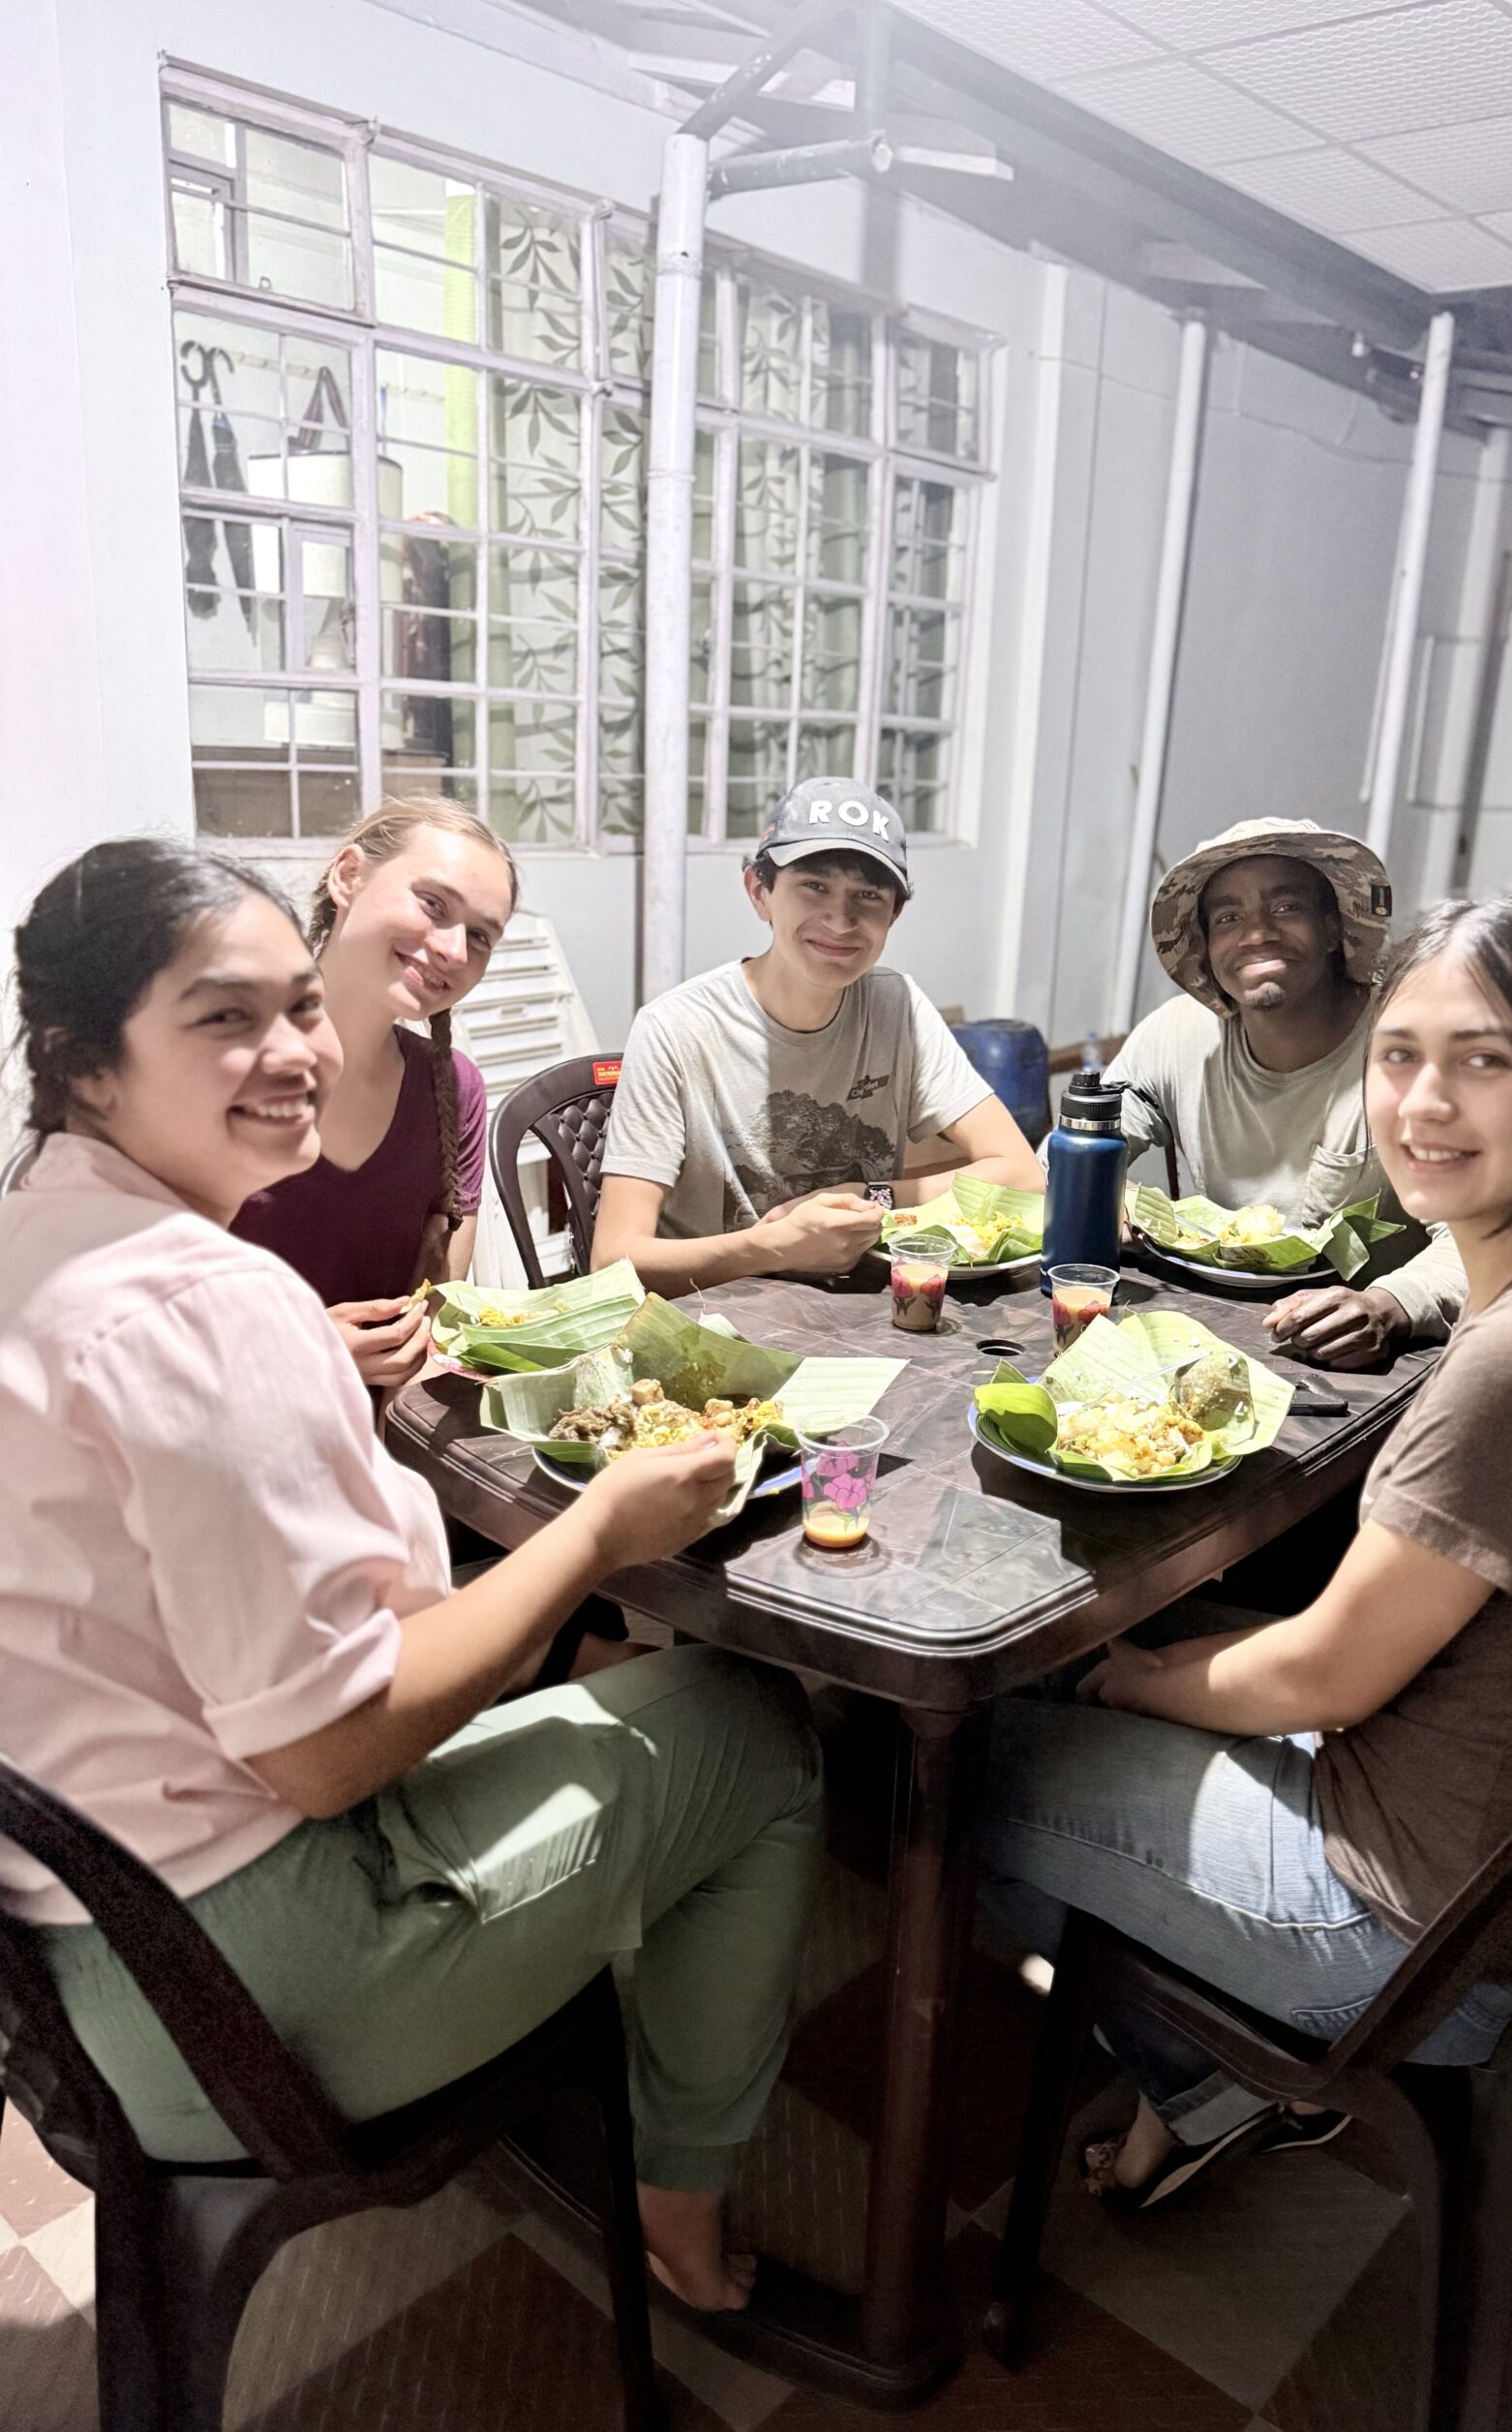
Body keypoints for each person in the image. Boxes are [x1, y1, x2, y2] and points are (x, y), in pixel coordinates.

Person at [0, 840, 822, 2311]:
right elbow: (327, 1757)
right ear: (83, 1060)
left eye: (299, 1008)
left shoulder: (40, 1228)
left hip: (82, 1961)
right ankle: (677, 2215)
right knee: (758, 1726)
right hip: (244, 1997)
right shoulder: (206, 1299)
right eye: (224, 1016)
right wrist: (595, 1534)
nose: (295, 1054)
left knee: (589, 1689)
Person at [985, 893, 1512, 2211]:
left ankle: (1205, 2067)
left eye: (1485, 1059)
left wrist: (1139, 1680)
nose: (1425, 1102)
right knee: (1145, 1665)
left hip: (1402, 1923)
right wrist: (1167, 1671)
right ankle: (1206, 2059)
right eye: (1399, 1057)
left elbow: (1326, 1676)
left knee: (957, 1769)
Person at [593, 780, 1043, 1296]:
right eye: (814, 886)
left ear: (894, 914)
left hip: (857, 1306)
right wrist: (773, 1247)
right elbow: (612, 1258)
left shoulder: (896, 1006)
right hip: (716, 1315)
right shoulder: (675, 1029)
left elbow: (1022, 1174)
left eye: (868, 895)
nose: (840, 920)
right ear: (759, 892)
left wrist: (869, 1196)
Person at [1108, 818, 1466, 1369]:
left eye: (1286, 907)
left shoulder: (1410, 1049)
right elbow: (1073, 1147)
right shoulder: (1177, 1035)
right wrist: (1102, 1192)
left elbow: (1481, 1239)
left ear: (1334, 929)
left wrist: (1388, 1305)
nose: (1257, 934)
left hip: (1373, 1360)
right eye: (1228, 918)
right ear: (1207, 949)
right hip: (1217, 1332)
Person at [232, 799, 516, 1393]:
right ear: (348, 876)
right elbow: (116, 1311)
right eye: (433, 904)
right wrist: (301, 1350)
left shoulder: (453, 1088)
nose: (454, 950)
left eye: (480, 936)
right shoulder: (216, 1060)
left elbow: (431, 1313)